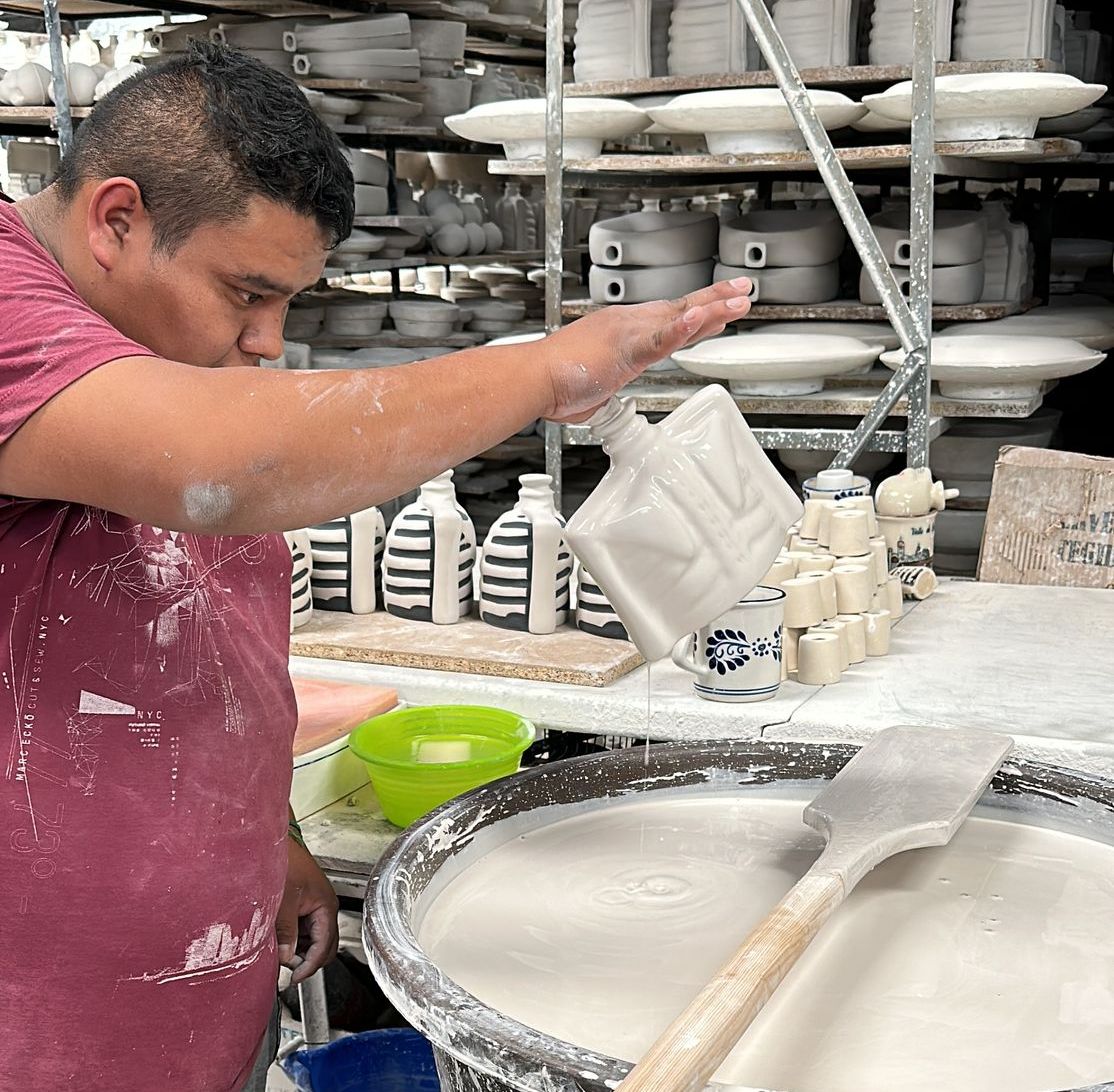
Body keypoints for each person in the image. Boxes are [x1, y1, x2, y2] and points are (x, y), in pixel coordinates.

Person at [0, 40, 752, 1092]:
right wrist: (541, 368)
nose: (268, 342)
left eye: (290, 303)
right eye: (245, 292)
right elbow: (226, 469)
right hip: (38, 1018)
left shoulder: (170, 355)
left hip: (190, 985)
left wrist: (270, 835)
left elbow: (199, 621)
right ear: (115, 219)